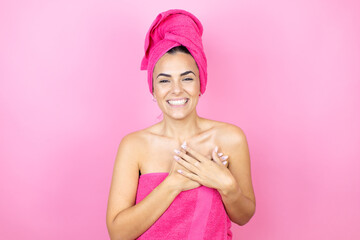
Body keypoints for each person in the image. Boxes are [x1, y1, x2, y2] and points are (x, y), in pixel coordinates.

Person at [106, 9, 255, 240]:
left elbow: (243, 216)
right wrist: (173, 184)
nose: (176, 89)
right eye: (164, 80)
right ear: (153, 90)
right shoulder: (134, 145)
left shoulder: (230, 139)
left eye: (187, 78)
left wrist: (227, 185)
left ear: (200, 83)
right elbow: (118, 234)